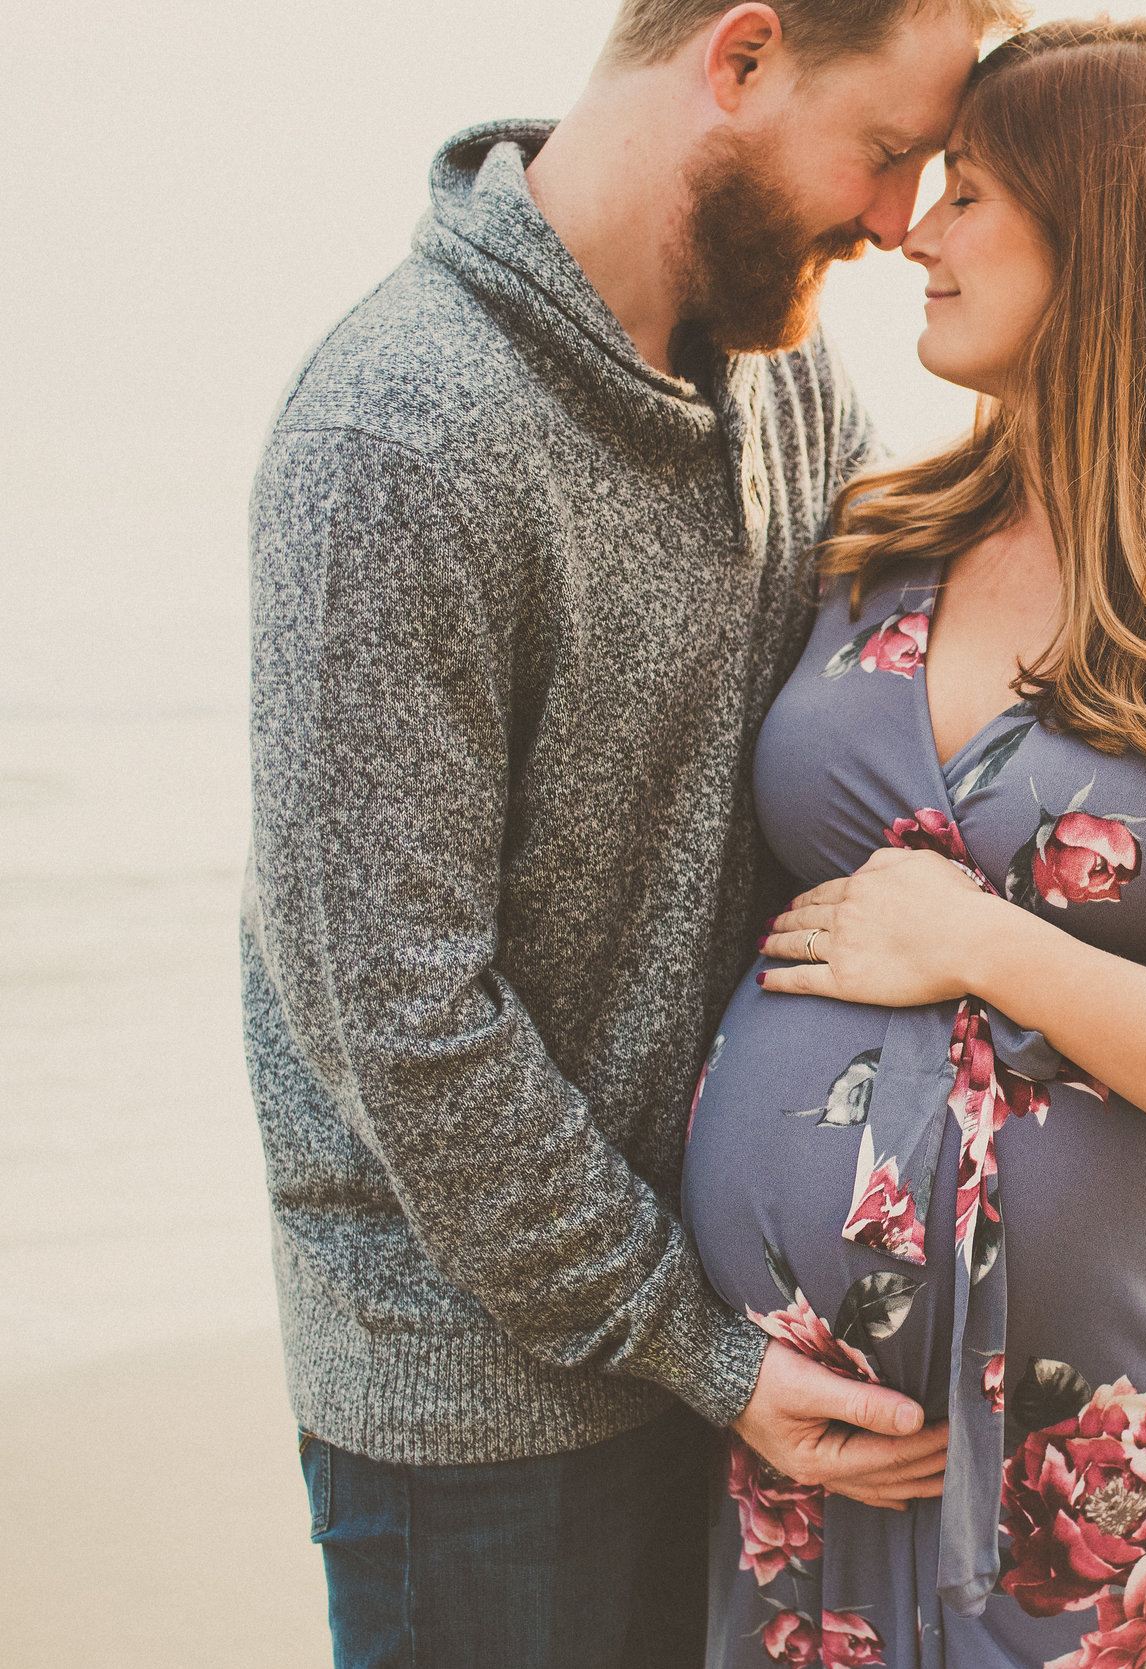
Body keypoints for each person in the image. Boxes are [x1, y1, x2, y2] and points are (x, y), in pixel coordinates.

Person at [244, 3, 1023, 1663]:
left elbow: (935, 656)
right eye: (886, 152)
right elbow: (402, 1020)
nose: (900, 224)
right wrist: (705, 1348)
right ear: (739, 60)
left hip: (728, 1358)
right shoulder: (395, 436)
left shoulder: (782, 368)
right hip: (488, 1432)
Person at [679, 19, 1146, 1669]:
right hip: (798, 1447)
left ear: (1115, 238)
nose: (915, 237)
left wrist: (994, 946)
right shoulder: (872, 548)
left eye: (971, 195)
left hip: (1097, 1473)